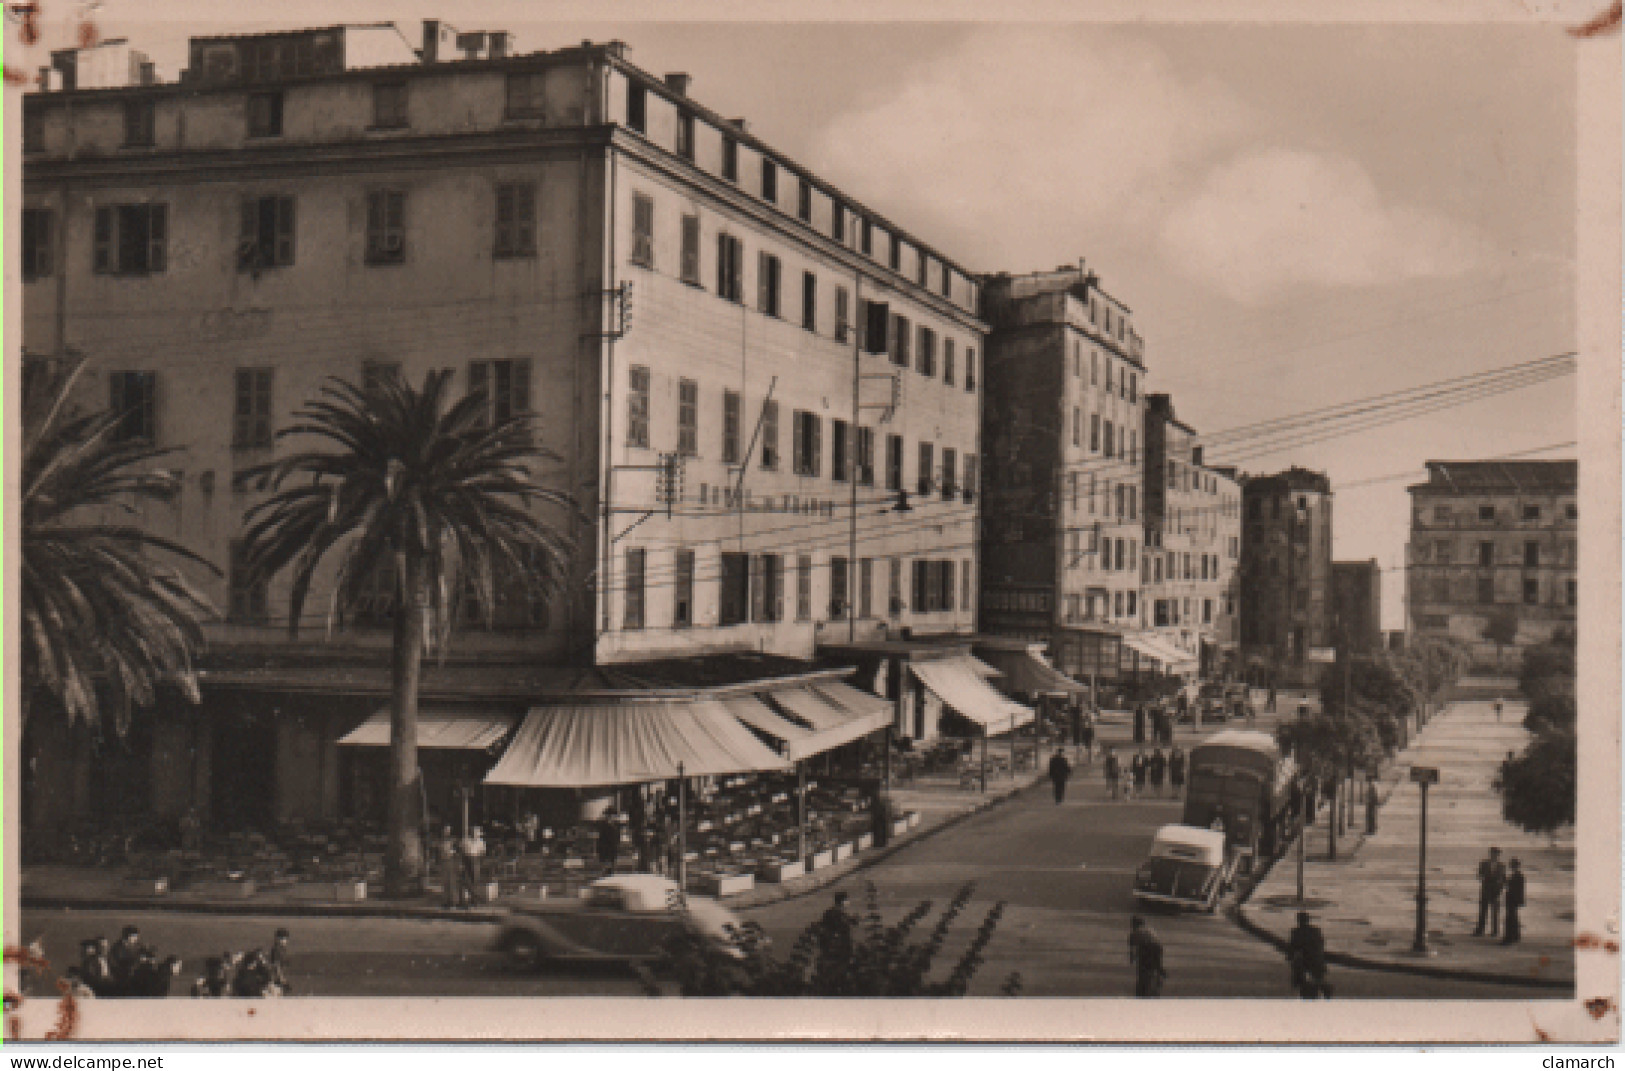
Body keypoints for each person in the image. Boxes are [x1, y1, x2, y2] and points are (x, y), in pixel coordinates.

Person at [1287, 911, 1332, 998]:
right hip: (1317, 960)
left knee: (1300, 972)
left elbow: (1293, 947)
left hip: (1307, 961)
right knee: (1317, 977)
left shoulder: (1296, 932)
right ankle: (1323, 988)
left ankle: (1319, 987)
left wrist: (1290, 957)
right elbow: (1321, 943)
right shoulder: (1316, 930)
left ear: (1299, 921)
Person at [1128, 916, 1166, 997]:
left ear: (1134, 925)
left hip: (1147, 947)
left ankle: (1142, 988)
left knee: (1143, 968)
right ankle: (1159, 972)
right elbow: (1157, 941)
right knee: (1155, 965)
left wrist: (1132, 959)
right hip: (1158, 947)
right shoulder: (1150, 930)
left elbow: (1133, 948)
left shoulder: (1134, 933)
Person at [1473, 847, 1507, 938]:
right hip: (1486, 890)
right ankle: (1480, 930)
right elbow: (1479, 875)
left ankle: (1495, 931)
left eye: (1496, 854)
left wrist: (1500, 887)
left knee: (1495, 912)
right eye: (1493, 854)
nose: (1494, 856)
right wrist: (1483, 878)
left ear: (1498, 855)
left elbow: (1504, 879)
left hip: (1496, 891)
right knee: (1483, 911)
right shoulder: (1484, 864)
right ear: (1490, 854)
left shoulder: (1502, 866)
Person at [436, 826, 463, 908]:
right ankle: (446, 900)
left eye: (448, 830)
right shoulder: (440, 841)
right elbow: (438, 853)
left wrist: (458, 862)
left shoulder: (453, 841)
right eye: (445, 830)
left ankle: (454, 901)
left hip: (452, 861)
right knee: (445, 882)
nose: (446, 832)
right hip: (444, 862)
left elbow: (458, 853)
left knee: (452, 882)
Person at [1502, 859, 1525, 945]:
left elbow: (1518, 889)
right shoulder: (1516, 875)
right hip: (1513, 899)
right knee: (1513, 918)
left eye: (1512, 865)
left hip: (1513, 899)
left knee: (1510, 918)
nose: (1512, 867)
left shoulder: (1518, 876)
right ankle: (1515, 936)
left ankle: (1509, 938)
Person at [269, 928, 292, 995]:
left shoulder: (282, 950)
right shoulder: (277, 950)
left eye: (285, 939)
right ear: (276, 939)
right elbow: (276, 965)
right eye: (281, 939)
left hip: (279, 977)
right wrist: (281, 978)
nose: (284, 941)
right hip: (276, 978)